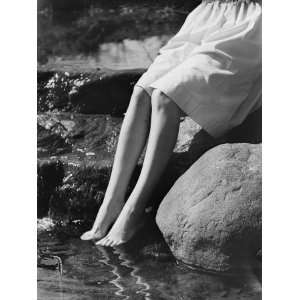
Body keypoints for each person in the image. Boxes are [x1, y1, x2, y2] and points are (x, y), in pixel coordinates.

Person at [81, 0, 262, 247]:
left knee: (164, 96)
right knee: (141, 92)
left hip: (250, 23)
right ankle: (111, 202)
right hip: (209, 14)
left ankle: (134, 209)